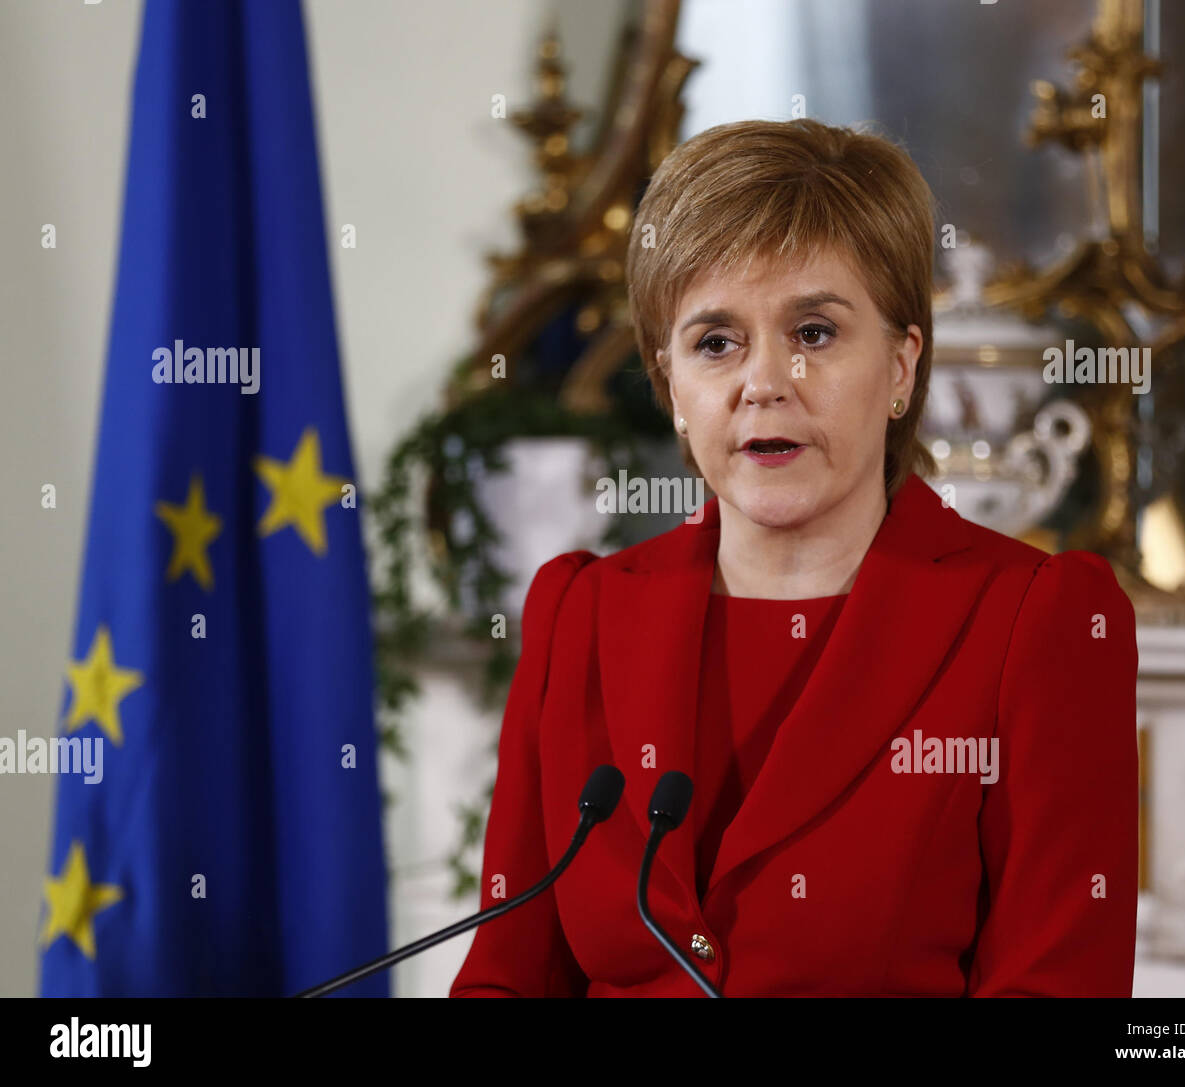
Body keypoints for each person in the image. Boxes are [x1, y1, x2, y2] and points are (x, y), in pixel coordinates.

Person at [450, 118, 1138, 997]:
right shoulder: (580, 612)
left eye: (813, 332)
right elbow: (505, 978)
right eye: (715, 342)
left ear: (900, 366)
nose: (764, 381)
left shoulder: (1034, 619)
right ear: (671, 387)